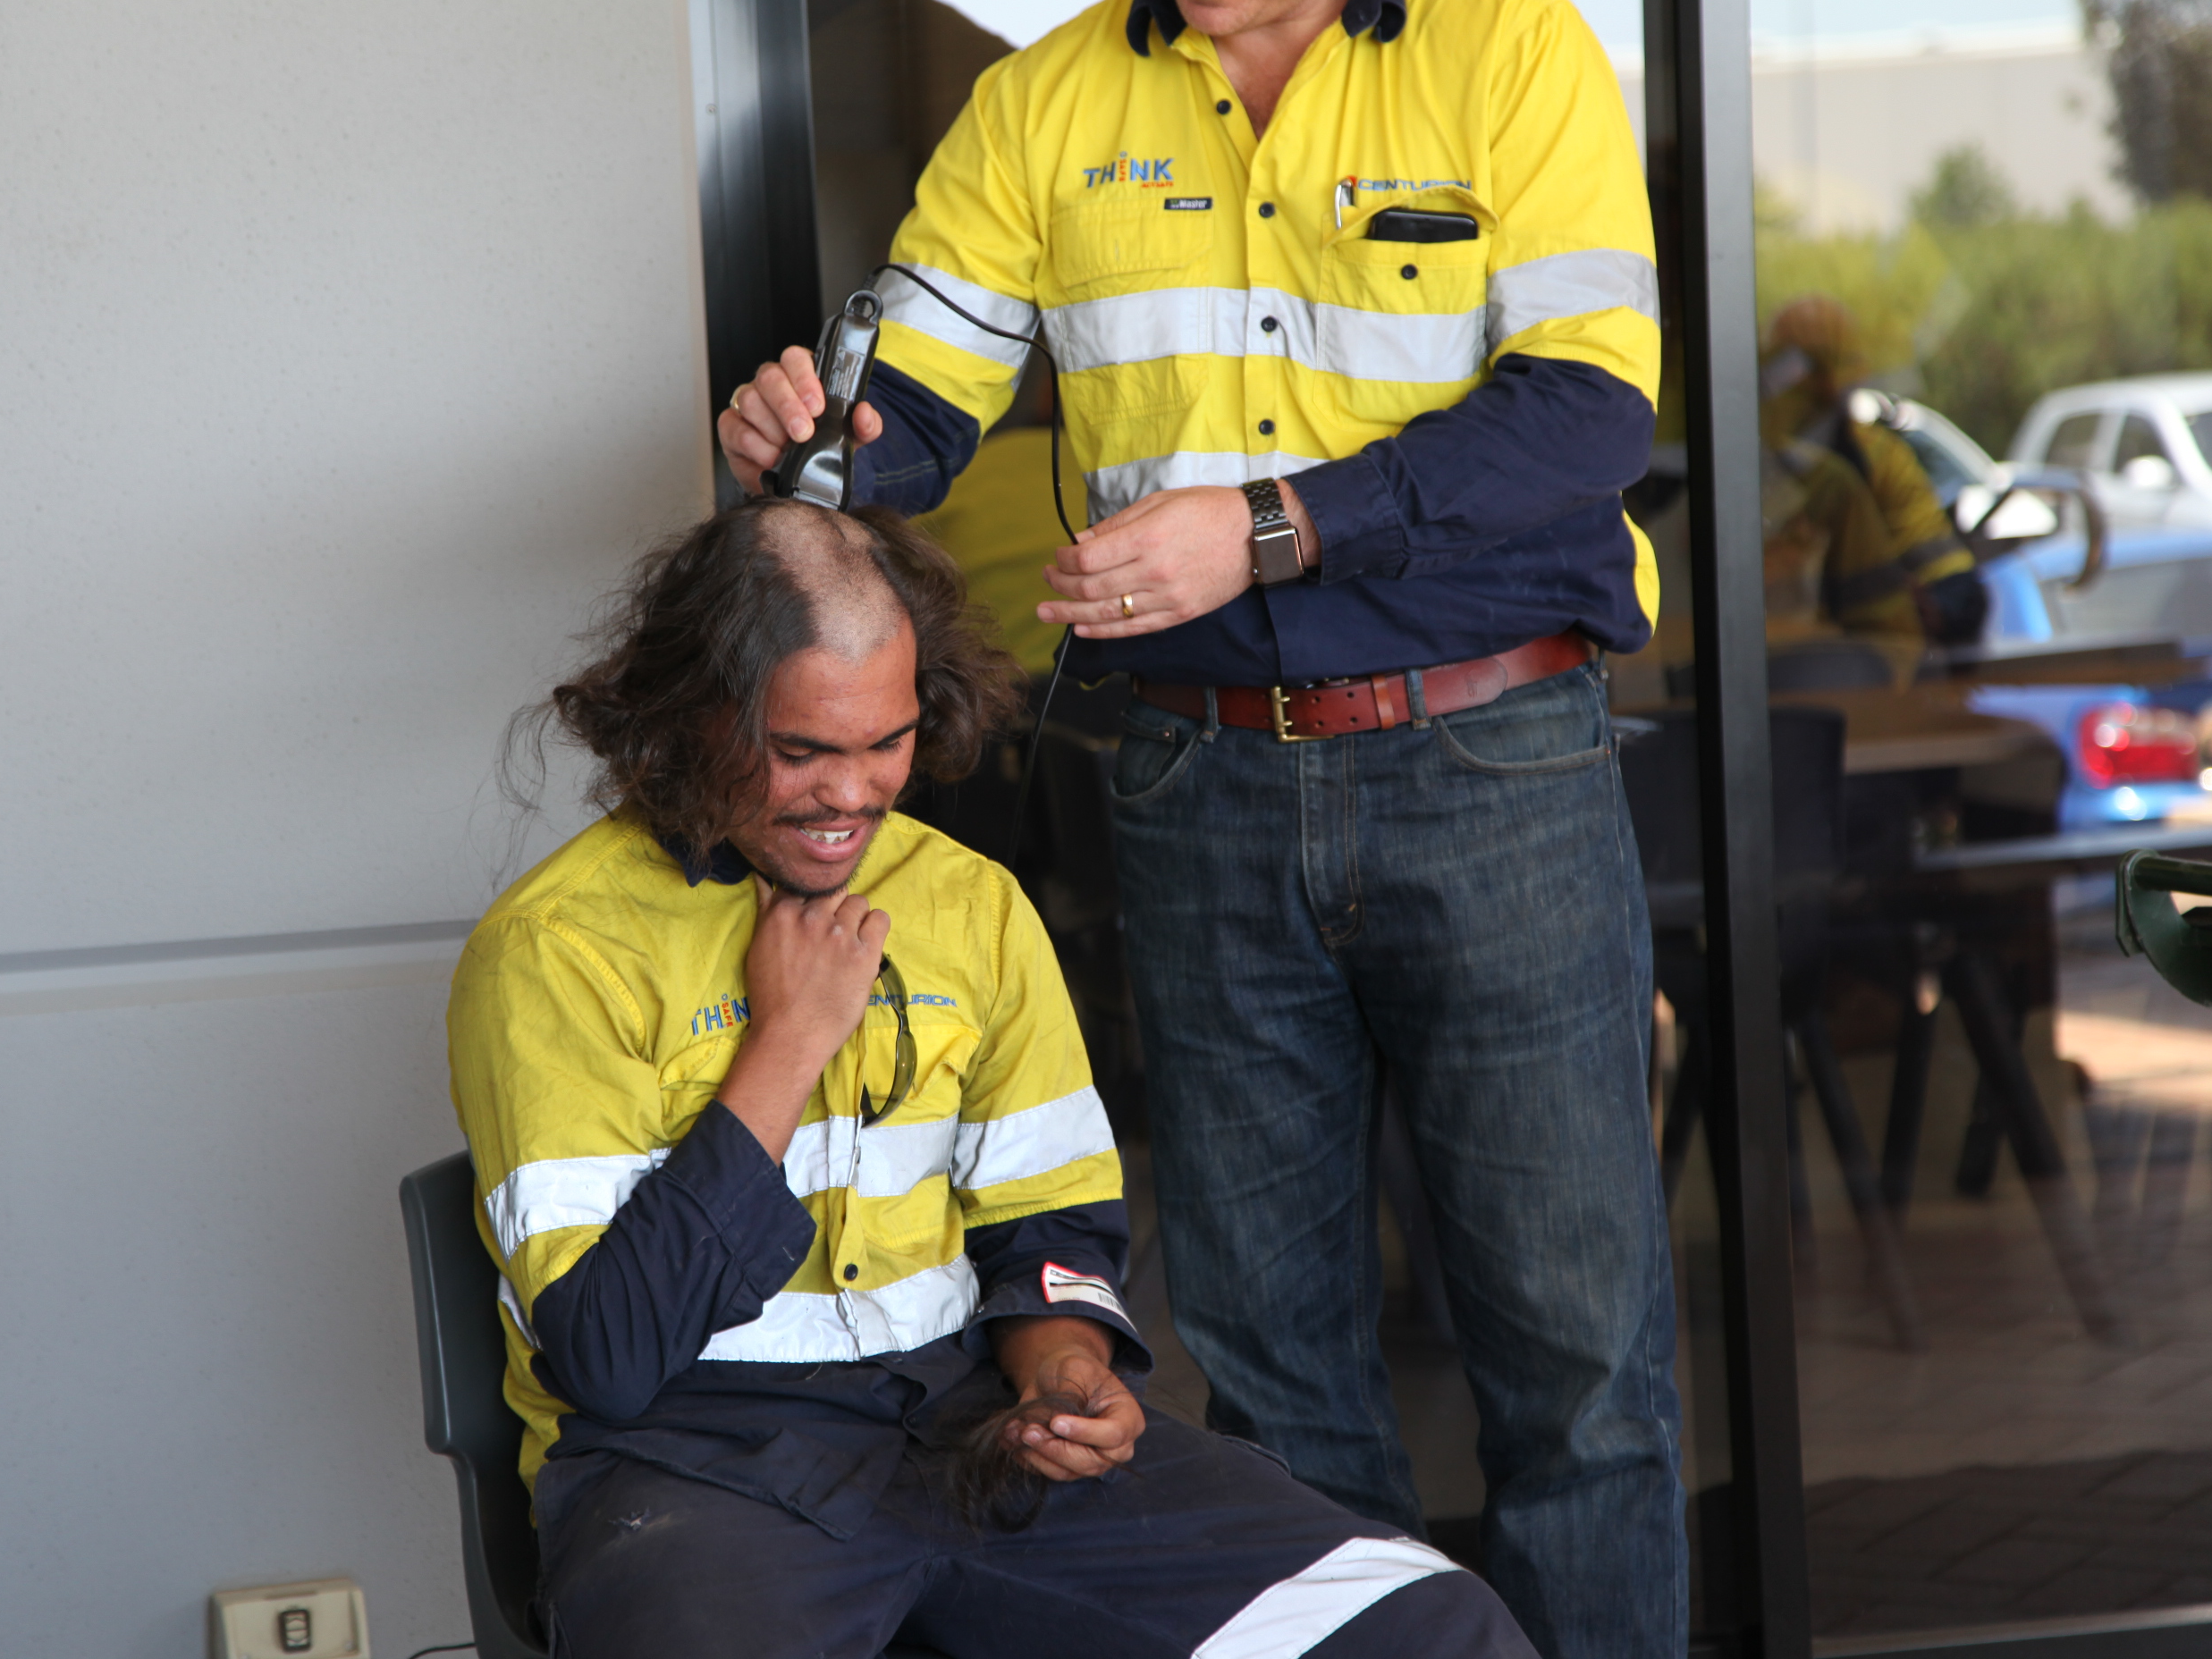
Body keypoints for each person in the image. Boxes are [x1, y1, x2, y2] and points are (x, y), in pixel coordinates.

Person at [716, 1, 1684, 1653]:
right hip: (1194, 778)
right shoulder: (1044, 101)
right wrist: (819, 449)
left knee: (1574, 1359)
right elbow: (916, 412)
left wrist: (1271, 529)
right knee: (1270, 1368)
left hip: (1494, 760)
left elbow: (1586, 414)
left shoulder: (1509, 47)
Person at [446, 499, 1538, 1659]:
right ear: (689, 715)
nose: (852, 798)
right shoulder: (555, 949)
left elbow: (1045, 1223)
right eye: (800, 750)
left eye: (887, 742)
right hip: (697, 1466)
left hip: (972, 1433)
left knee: (1430, 1625)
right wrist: (784, 1047)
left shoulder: (968, 902)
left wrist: (1062, 1371)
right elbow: (609, 1362)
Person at [1760, 293, 1987, 645]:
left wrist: (1933, 609)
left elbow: (1956, 587)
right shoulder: (1766, 461)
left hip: (1860, 663)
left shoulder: (1872, 459)